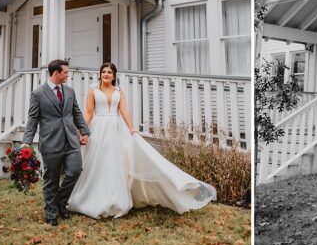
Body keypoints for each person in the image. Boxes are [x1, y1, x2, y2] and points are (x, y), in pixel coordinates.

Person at [67, 62, 216, 218]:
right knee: (98, 161)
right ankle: (93, 198)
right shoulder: (93, 89)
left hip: (116, 129)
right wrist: (83, 130)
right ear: (100, 74)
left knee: (114, 162)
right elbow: (89, 112)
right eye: (103, 71)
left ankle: (115, 200)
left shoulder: (118, 91)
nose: (106, 74)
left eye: (109, 72)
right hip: (99, 127)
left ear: (114, 75)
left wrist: (131, 127)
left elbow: (124, 110)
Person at [21, 59, 90, 226]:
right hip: (51, 142)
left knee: (75, 171)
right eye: (66, 72)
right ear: (56, 73)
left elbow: (76, 112)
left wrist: (84, 131)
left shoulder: (70, 91)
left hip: (71, 140)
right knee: (51, 180)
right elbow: (32, 119)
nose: (68, 75)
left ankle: (60, 201)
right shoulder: (38, 93)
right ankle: (51, 213)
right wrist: (26, 142)